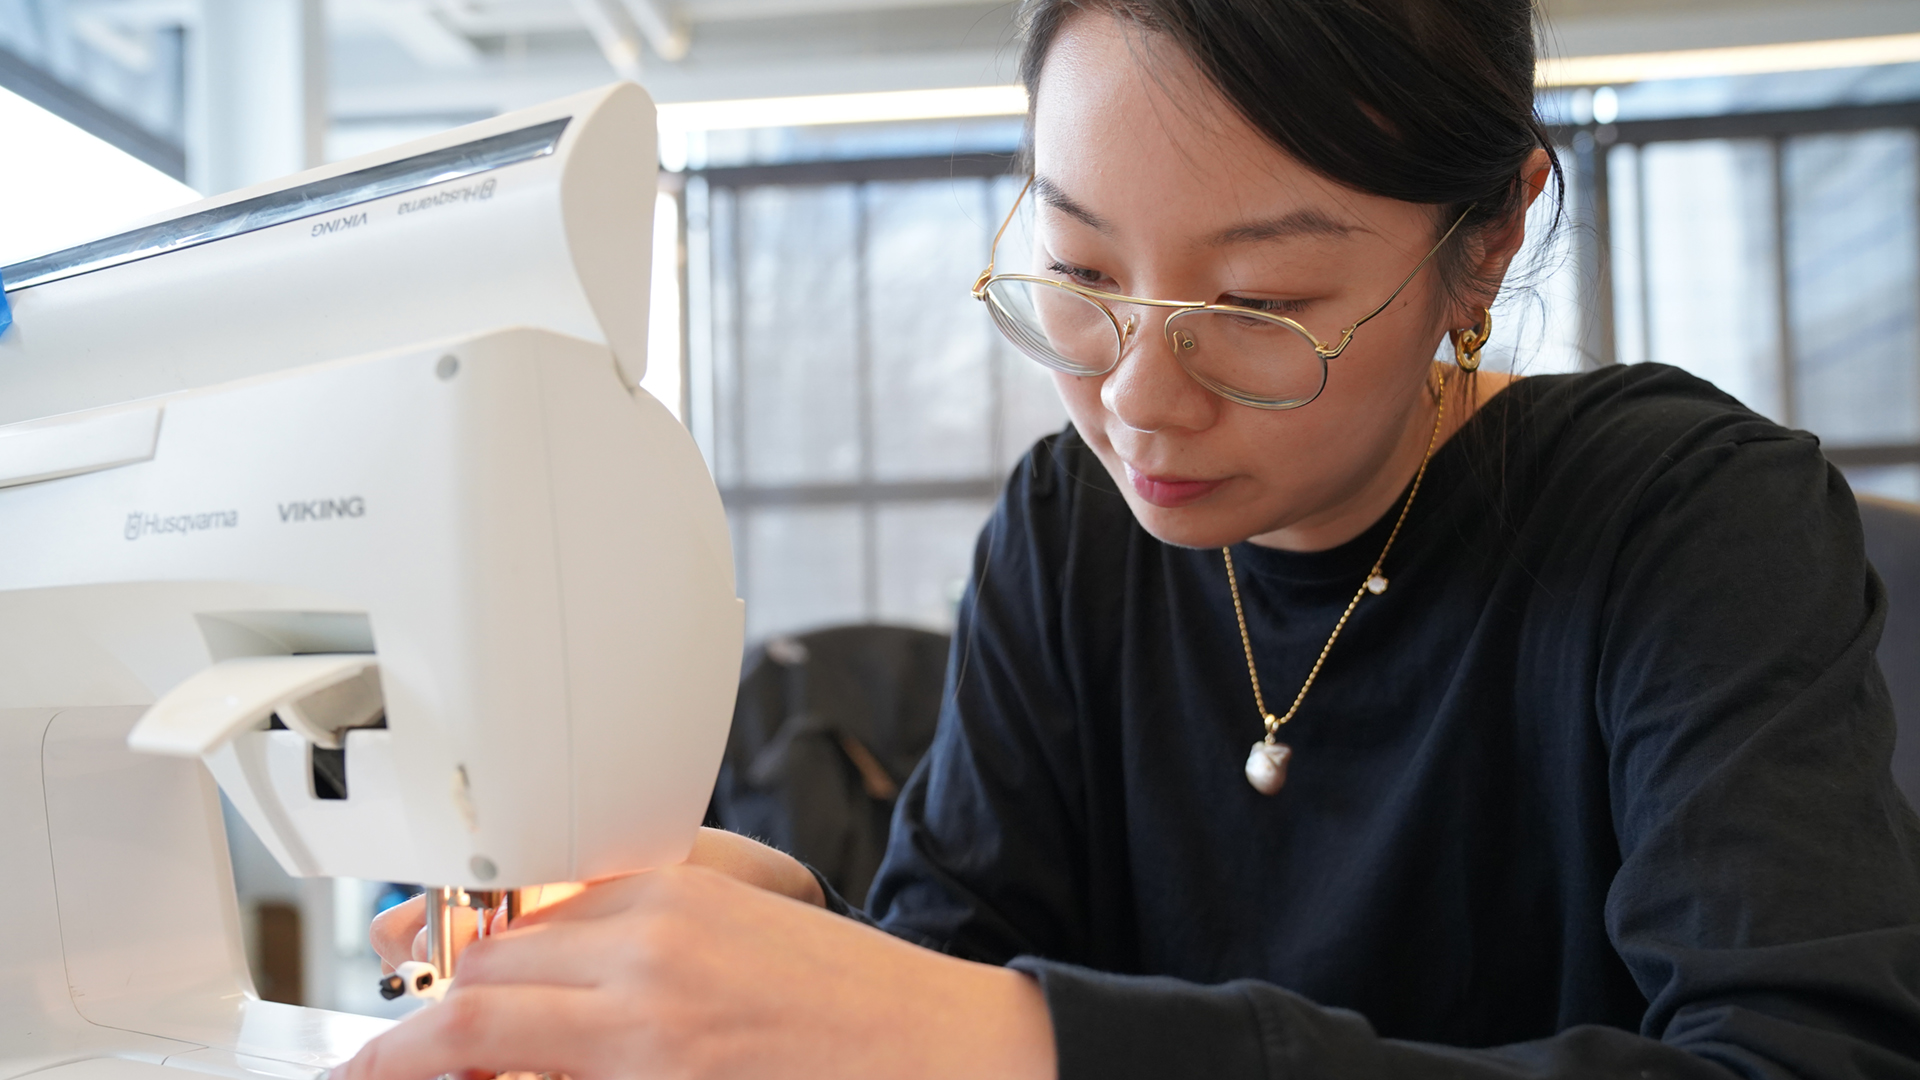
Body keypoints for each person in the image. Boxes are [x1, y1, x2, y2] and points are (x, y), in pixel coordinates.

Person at [340, 0, 1920, 1077]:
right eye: (1082, 273)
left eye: (1258, 307)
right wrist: (797, 954)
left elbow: (1801, 1061)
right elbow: (951, 977)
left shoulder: (1691, 527)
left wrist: (1032, 1045)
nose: (1140, 403)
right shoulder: (1062, 535)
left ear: (1488, 240)